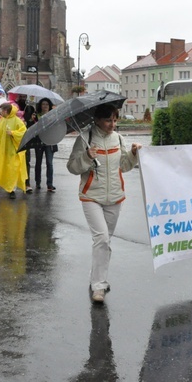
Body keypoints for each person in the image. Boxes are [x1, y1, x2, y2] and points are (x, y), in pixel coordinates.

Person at [67, 103, 141, 304]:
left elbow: (124, 166)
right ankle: (98, 286)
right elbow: (72, 167)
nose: (113, 124)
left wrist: (133, 154)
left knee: (105, 242)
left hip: (115, 197)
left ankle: (95, 277)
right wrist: (86, 156)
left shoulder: (118, 138)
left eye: (115, 120)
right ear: (97, 120)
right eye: (108, 120)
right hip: (91, 196)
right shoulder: (86, 138)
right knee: (102, 239)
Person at [0, 103, 28, 199]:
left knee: (12, 171)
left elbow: (23, 132)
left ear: (6, 111)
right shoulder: (2, 121)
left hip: (12, 152)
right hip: (2, 151)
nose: (0, 112)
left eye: (2, 110)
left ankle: (11, 190)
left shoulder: (17, 121)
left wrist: (12, 133)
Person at [34, 97, 57, 192]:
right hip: (39, 142)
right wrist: (33, 120)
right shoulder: (36, 115)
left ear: (49, 106)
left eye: (47, 104)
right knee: (38, 162)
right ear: (40, 106)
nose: (45, 106)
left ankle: (50, 184)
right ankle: (38, 182)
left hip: (50, 142)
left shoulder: (53, 115)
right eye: (43, 104)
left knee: (49, 163)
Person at [22, 104, 37, 194]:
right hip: (18, 144)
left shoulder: (33, 121)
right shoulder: (21, 120)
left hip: (27, 145)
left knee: (27, 163)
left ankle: (27, 183)